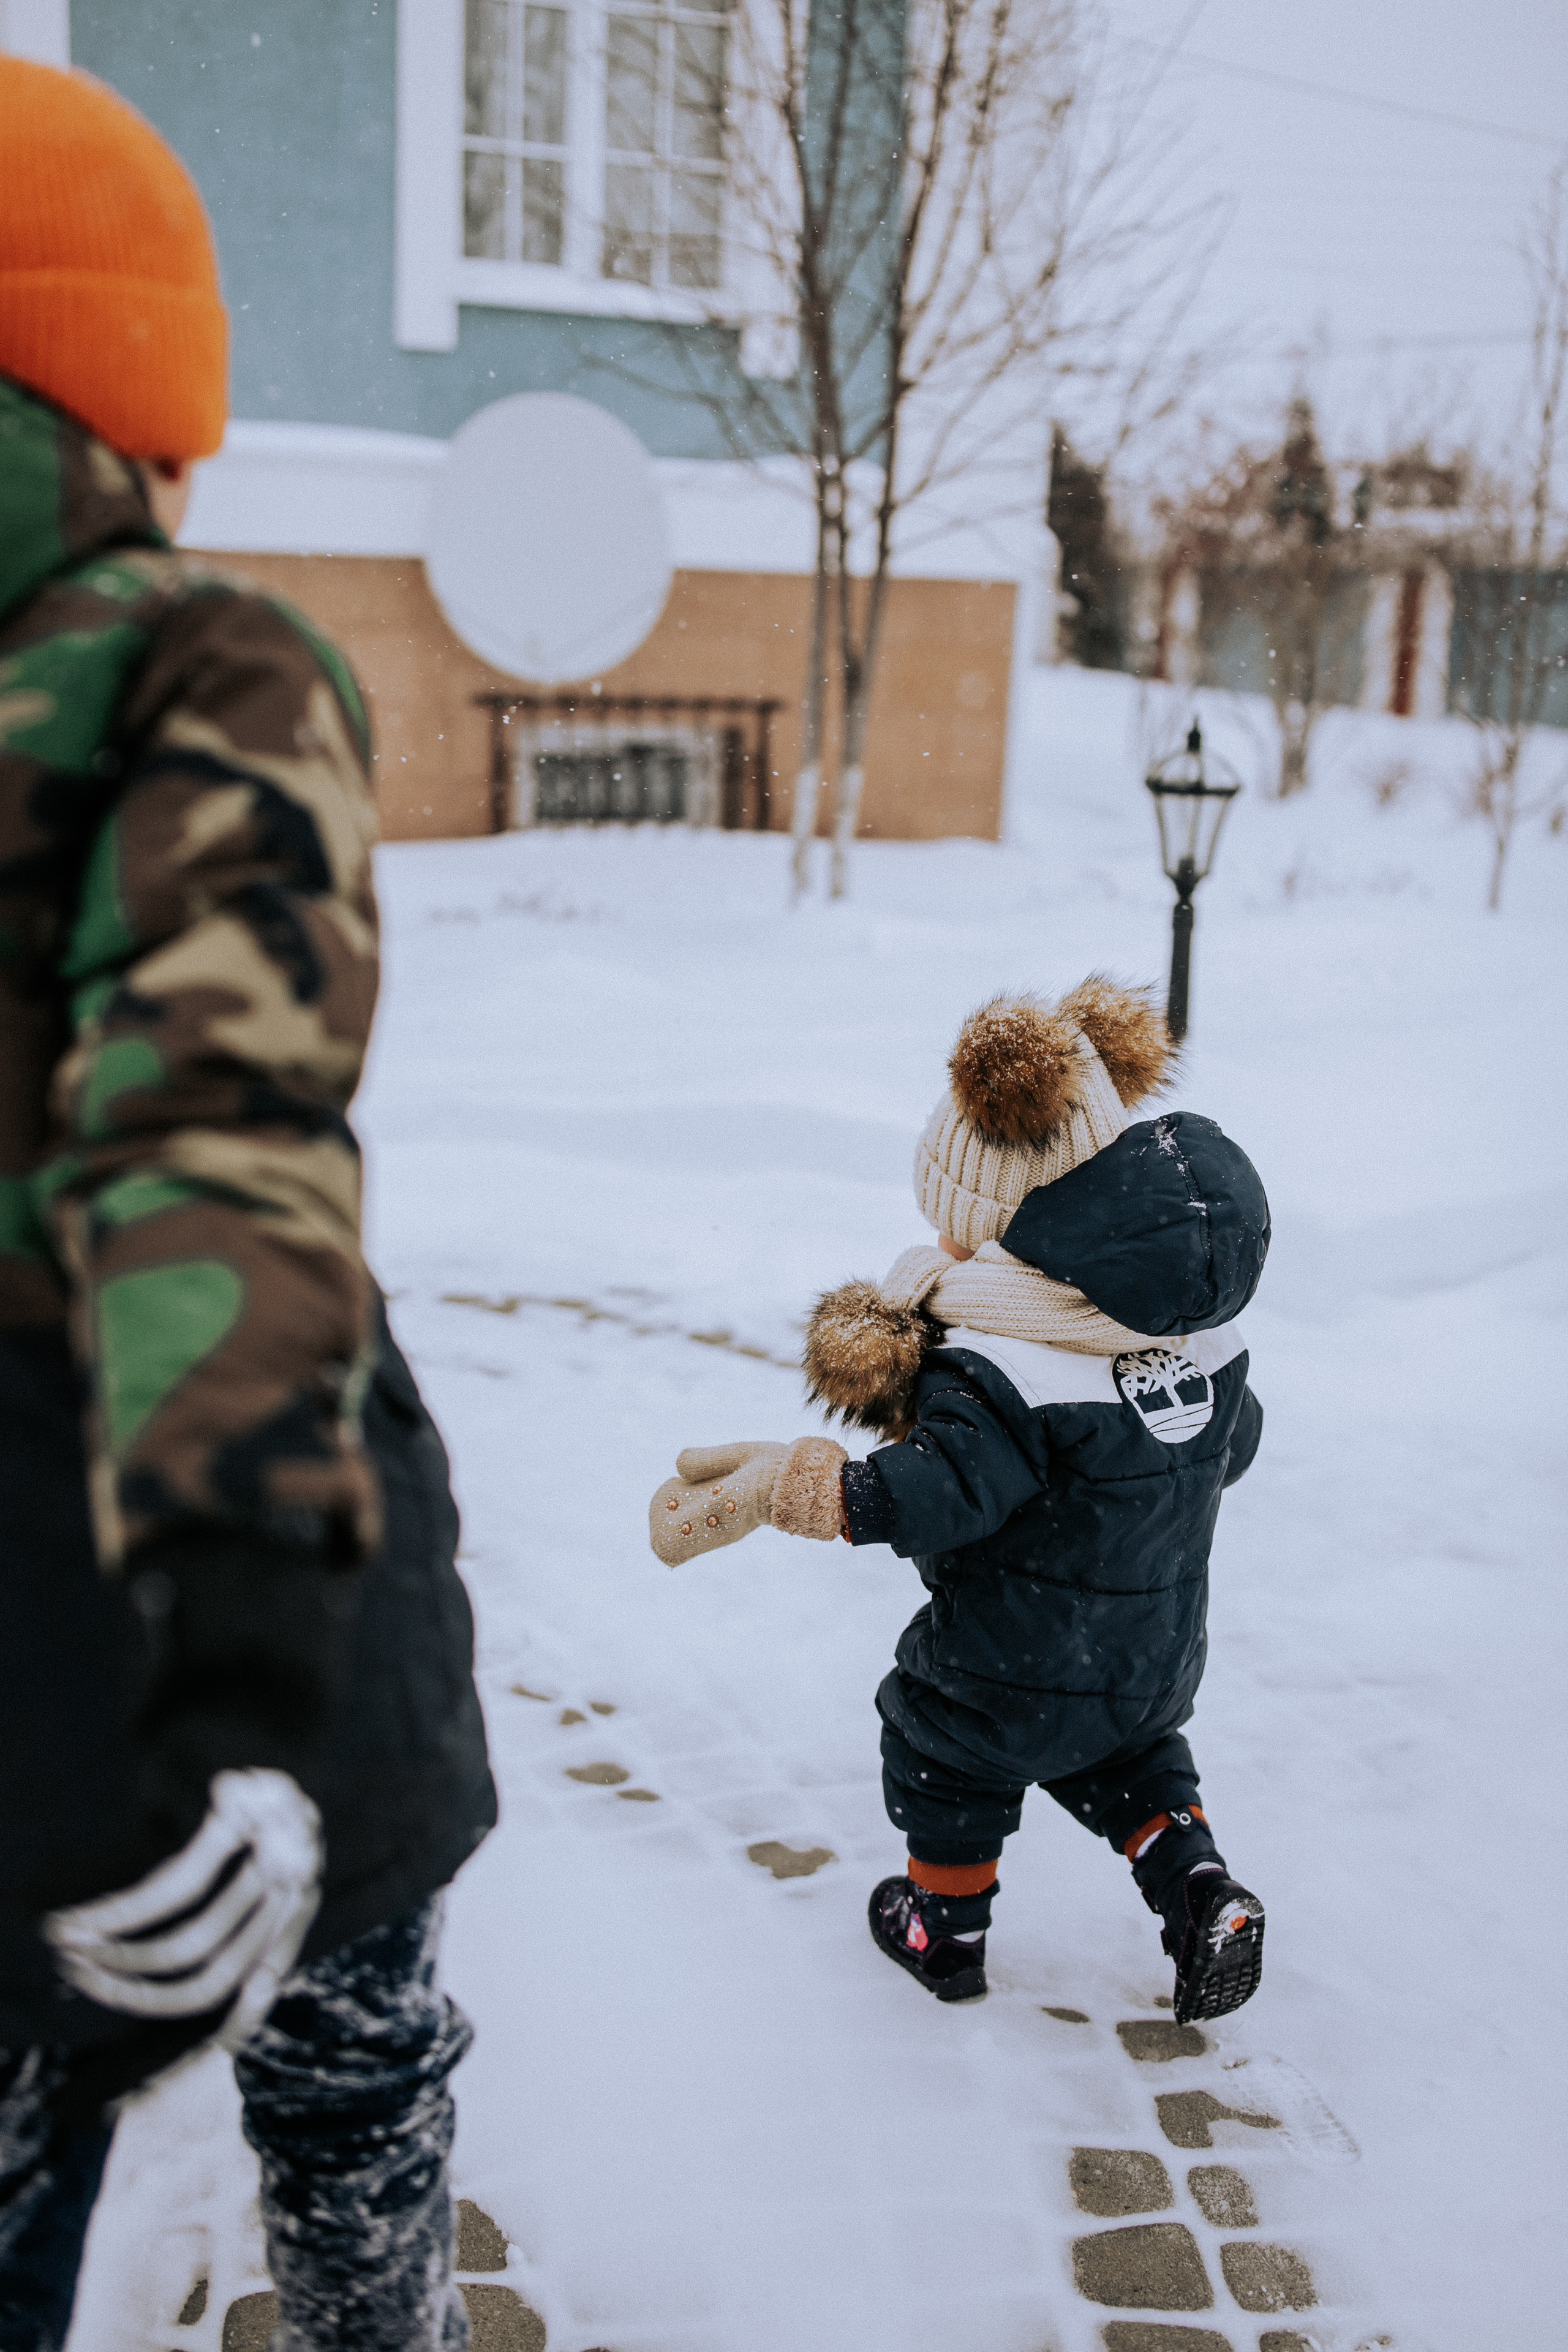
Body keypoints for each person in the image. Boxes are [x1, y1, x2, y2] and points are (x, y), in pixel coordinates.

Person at [0, 58, 496, 2351]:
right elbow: (209, 1131)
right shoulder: (186, 653)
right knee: (349, 2047)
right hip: (219, 1531)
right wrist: (243, 1652)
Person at [649, 979, 1269, 2022]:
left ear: (1009, 1228)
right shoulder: (1196, 1334)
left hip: (1009, 1661)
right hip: (1154, 1656)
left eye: (955, 1229)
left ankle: (944, 1927)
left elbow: (943, 1494)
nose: (941, 1247)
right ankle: (1200, 1888)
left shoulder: (1001, 1359)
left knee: (941, 1743)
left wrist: (807, 1487)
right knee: (1135, 1765)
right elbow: (1233, 1448)